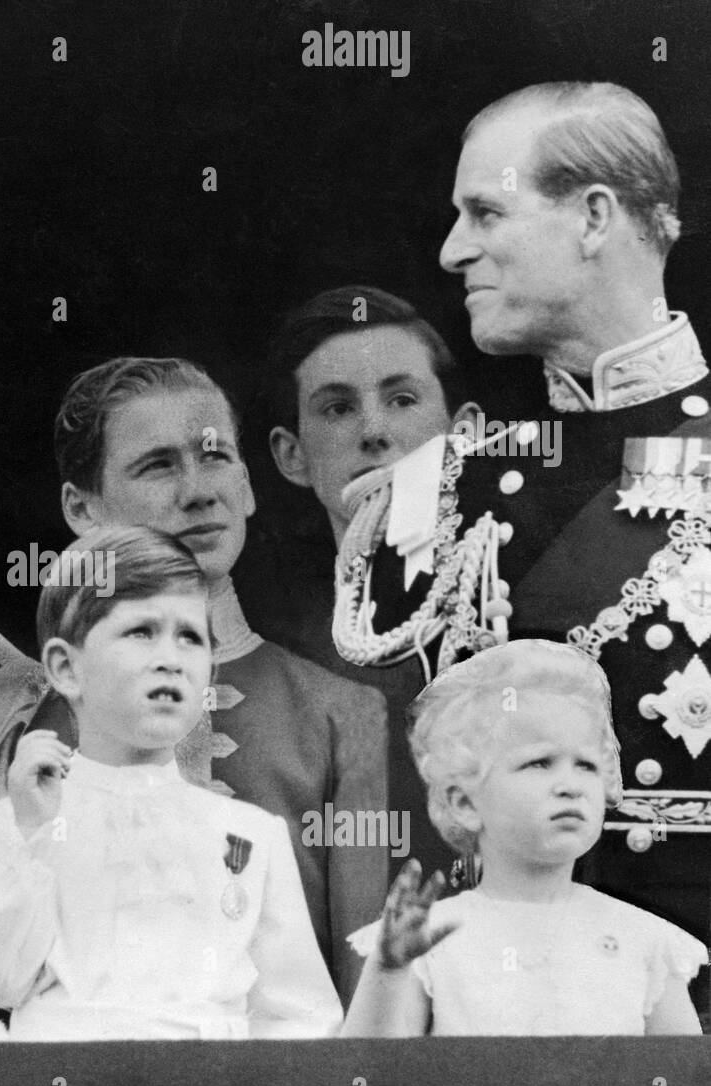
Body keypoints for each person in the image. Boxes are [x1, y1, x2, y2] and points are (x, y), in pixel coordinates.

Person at [331, 83, 711, 1012]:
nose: (452, 250)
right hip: (501, 999)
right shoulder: (437, 487)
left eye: (485, 213)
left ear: (593, 217)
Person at [0, 357, 391, 1004]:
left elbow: (358, 983)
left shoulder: (339, 712)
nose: (198, 491)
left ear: (248, 482)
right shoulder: (29, 718)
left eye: (216, 458)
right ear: (81, 506)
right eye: (158, 465)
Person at [0, 525, 342, 1039]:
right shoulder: (4, 830)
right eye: (141, 632)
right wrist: (34, 838)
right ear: (67, 668)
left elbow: (299, 1017)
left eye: (191, 637)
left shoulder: (249, 833)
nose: (170, 658)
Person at [342, 641, 706, 1036]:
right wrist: (388, 972)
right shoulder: (431, 939)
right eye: (539, 763)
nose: (571, 786)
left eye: (586, 765)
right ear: (464, 802)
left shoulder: (646, 941)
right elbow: (370, 1075)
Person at [238, 286, 462, 885]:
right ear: (291, 456)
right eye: (337, 408)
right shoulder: (266, 643)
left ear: (462, 429)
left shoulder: (521, 598)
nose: (374, 432)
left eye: (403, 399)